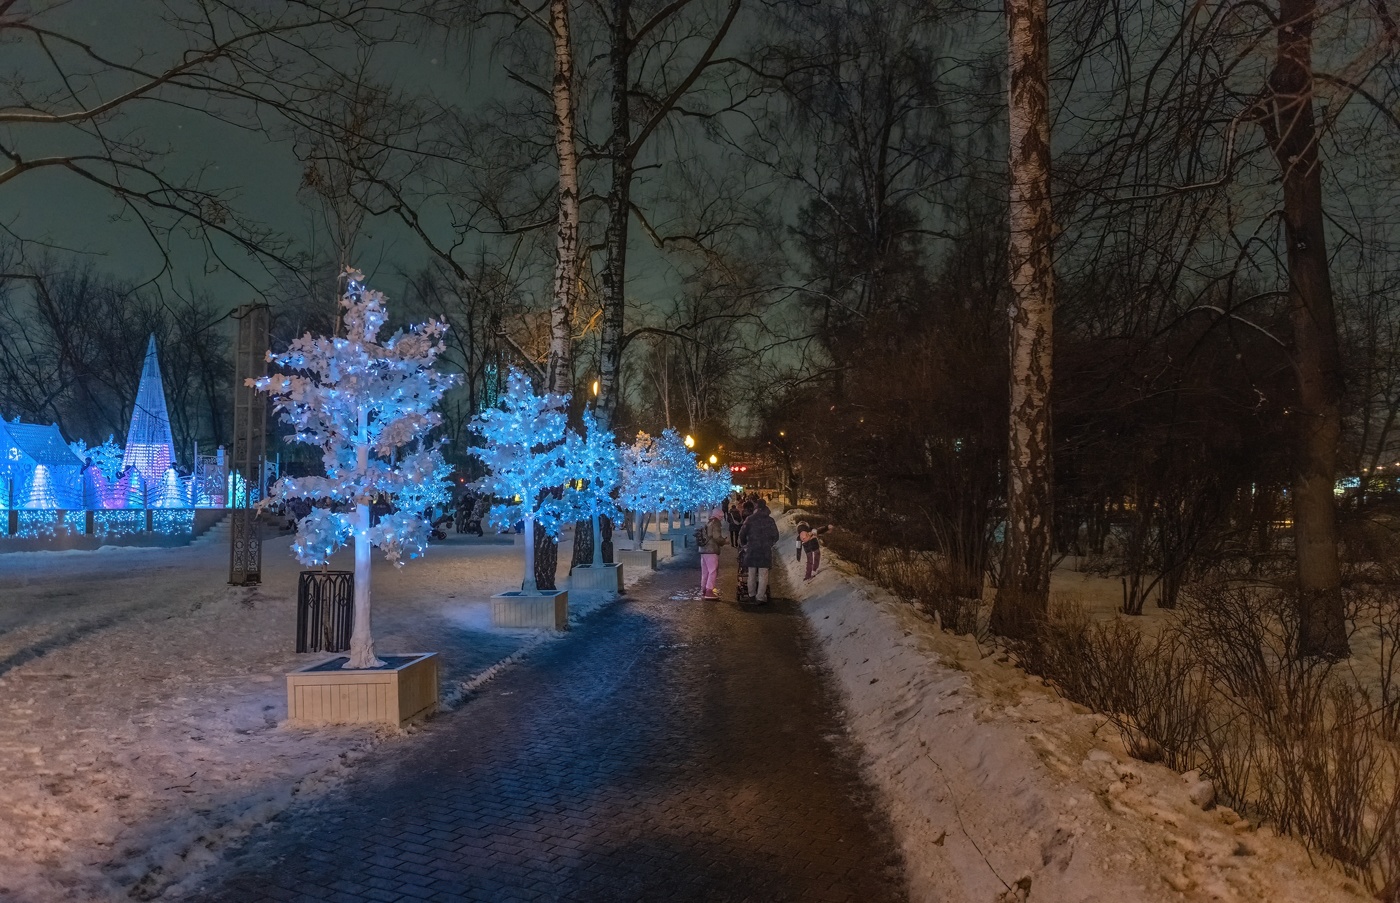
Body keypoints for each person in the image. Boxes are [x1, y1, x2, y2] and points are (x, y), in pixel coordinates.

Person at [738, 499, 779, 604]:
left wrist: (744, 544)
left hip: (752, 549)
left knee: (751, 573)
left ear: (756, 507)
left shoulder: (750, 519)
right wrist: (770, 543)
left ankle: (751, 595)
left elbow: (742, 533)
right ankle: (760, 597)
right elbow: (776, 535)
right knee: (763, 574)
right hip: (765, 550)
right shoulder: (770, 520)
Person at [697, 508, 727, 599]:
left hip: (703, 550)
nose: (722, 518)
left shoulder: (708, 522)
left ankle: (704, 589)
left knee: (705, 571)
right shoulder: (716, 523)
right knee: (713, 571)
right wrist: (724, 541)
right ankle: (709, 591)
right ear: (718, 515)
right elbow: (717, 537)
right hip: (711, 550)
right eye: (721, 516)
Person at [735, 500, 755, 602]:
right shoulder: (754, 519)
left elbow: (742, 534)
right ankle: (759, 593)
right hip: (756, 548)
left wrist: (742, 544)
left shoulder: (746, 520)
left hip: (746, 547)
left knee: (748, 569)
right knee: (760, 572)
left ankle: (750, 591)